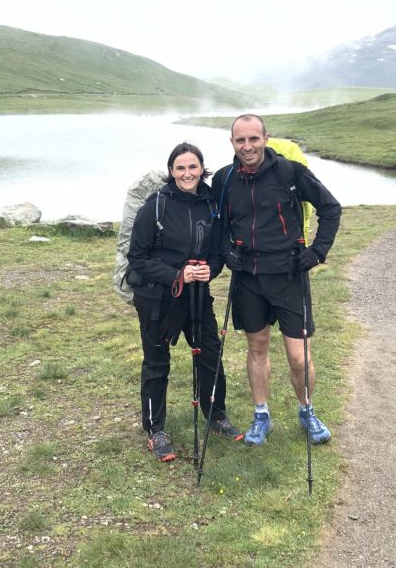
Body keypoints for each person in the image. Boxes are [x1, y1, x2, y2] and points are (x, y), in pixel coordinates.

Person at [217, 114, 342, 446]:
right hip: (248, 278)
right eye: (240, 140)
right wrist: (225, 250)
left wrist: (317, 251)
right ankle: (261, 415)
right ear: (232, 143)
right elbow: (216, 224)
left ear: (266, 138)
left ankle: (307, 410)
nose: (247, 146)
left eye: (253, 139)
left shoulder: (291, 173)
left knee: (299, 356)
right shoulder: (224, 180)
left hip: (289, 275)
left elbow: (330, 207)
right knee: (257, 346)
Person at [127, 142, 244, 462]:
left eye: (193, 167)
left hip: (196, 295)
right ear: (171, 172)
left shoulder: (211, 204)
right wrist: (177, 274)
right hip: (156, 297)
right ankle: (155, 430)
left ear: (201, 168)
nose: (187, 173)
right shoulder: (155, 206)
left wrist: (211, 270)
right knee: (157, 361)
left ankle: (216, 414)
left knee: (210, 352)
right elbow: (136, 257)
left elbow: (219, 251)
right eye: (180, 168)